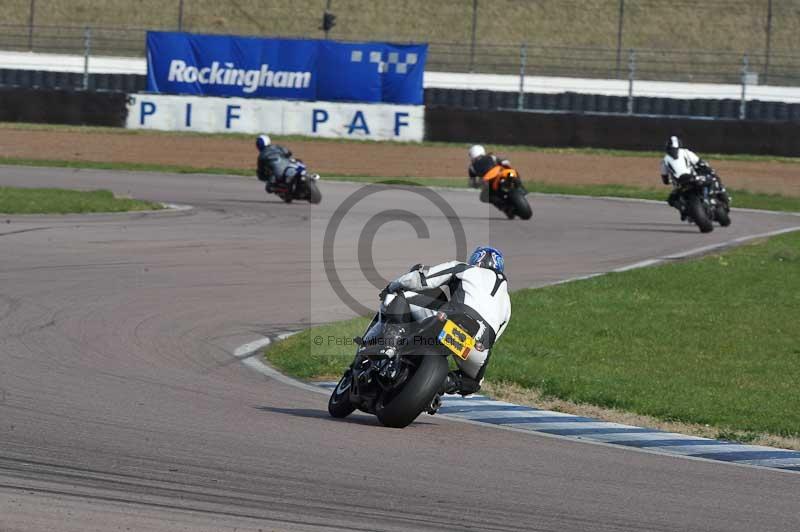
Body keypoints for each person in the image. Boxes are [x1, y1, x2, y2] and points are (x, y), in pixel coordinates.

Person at [380, 245, 511, 396]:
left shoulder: (464, 268)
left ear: (475, 260)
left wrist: (393, 285)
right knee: (474, 383)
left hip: (452, 320)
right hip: (478, 345)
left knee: (399, 297)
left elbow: (422, 279)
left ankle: (390, 344)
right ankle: (444, 384)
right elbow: (495, 337)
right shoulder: (507, 303)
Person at [660, 136, 720, 218]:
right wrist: (708, 169)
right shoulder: (686, 152)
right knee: (711, 179)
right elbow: (700, 162)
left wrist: (668, 181)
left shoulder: (664, 160)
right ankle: (710, 199)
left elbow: (665, 178)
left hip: (681, 184)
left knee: (671, 200)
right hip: (692, 178)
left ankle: (684, 209)